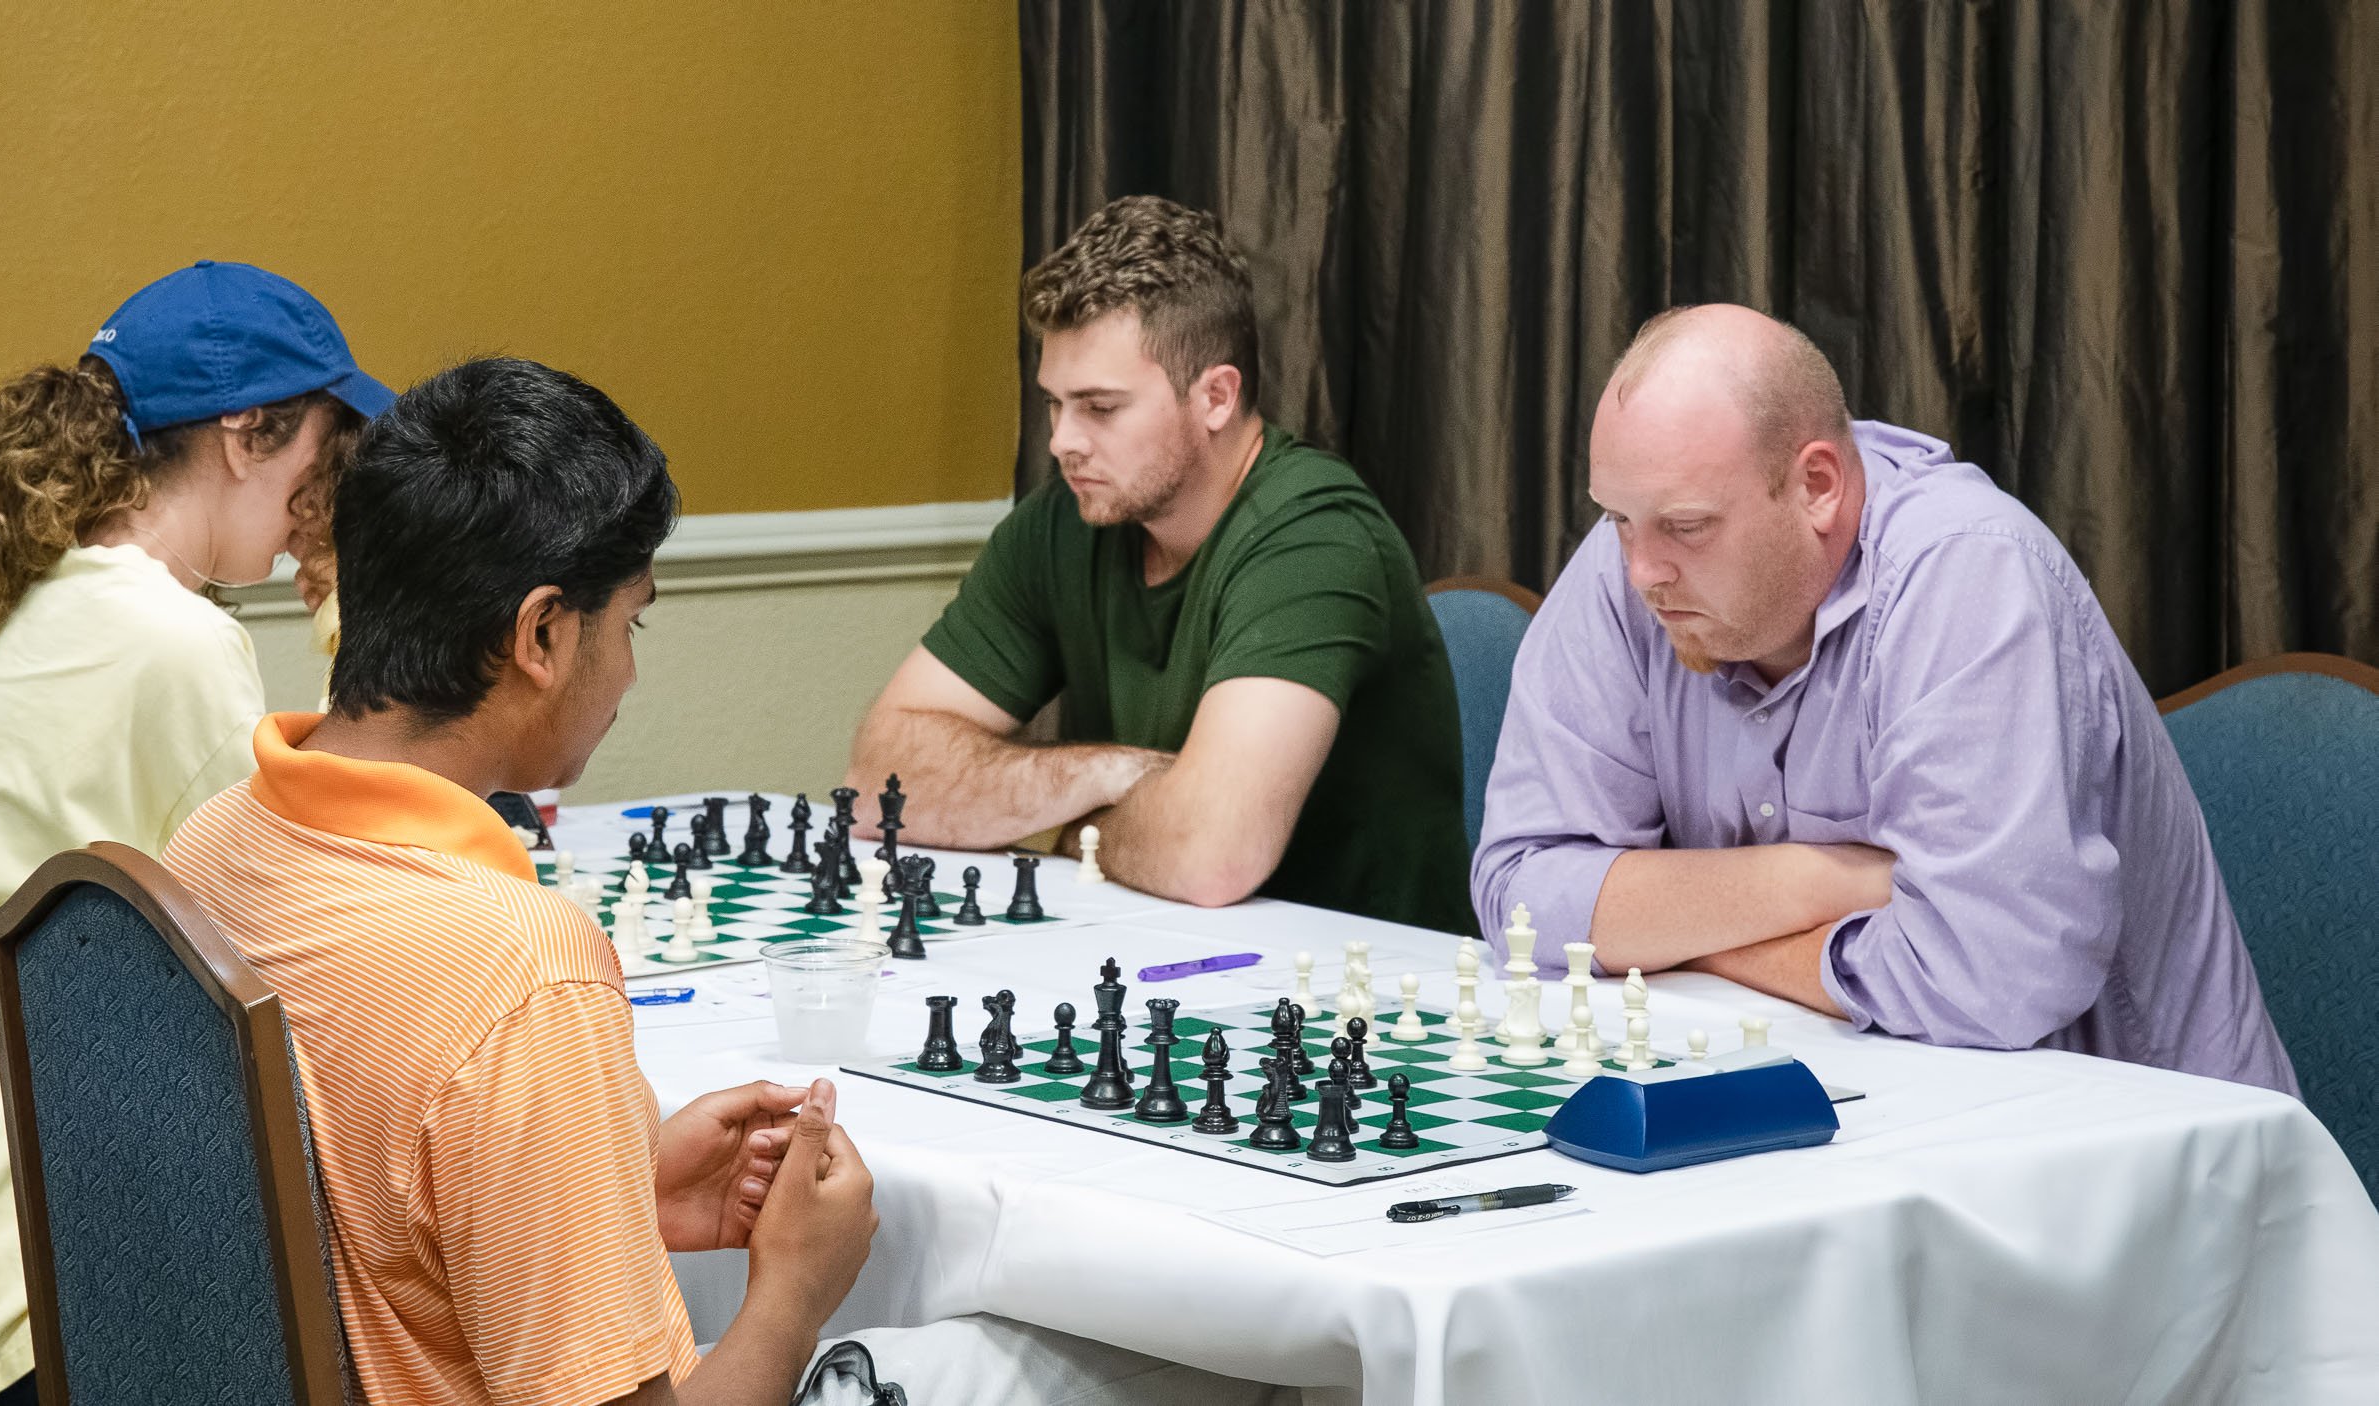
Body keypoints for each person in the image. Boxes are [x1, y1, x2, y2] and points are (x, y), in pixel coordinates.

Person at [165, 356, 1297, 1405]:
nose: (631, 670)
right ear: (543, 636)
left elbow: (340, 1211)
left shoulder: (206, 849)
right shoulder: (519, 974)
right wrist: (794, 1293)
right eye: (631, 621)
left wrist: (620, 1182)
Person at [1472, 303, 2296, 1094]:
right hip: (1858, 1108)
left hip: (2135, 1156)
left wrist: (1681, 942)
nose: (1642, 569)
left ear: (1818, 486)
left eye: (1687, 527)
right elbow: (1521, 894)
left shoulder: (1966, 572)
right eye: (1618, 518)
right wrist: (1817, 883)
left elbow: (1988, 980)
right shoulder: (1636, 560)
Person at [0, 261, 387, 1406]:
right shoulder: (174, 638)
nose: (325, 491)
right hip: (21, 1281)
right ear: (247, 434)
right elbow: (293, 927)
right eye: (320, 448)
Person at [847, 196, 1473, 933]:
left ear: (1216, 396)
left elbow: (1212, 856)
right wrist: (1105, 775)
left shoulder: (1314, 538)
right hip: (1162, 949)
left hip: (1358, 994)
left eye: (1100, 408)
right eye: (1053, 404)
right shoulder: (1067, 521)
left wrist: (1056, 827)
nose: (1062, 442)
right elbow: (878, 781)